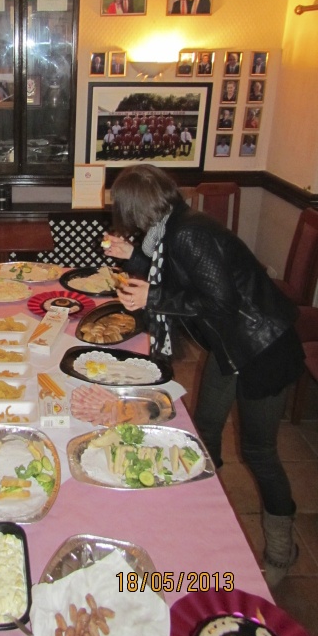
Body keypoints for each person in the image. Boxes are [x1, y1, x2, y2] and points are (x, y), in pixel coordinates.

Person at [103, 164, 304, 587]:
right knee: (205, 431)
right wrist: (134, 257)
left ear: (136, 206)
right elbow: (174, 273)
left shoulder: (189, 233)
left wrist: (153, 296)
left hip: (263, 348)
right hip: (231, 345)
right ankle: (198, 517)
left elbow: (221, 304)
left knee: (259, 452)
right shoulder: (169, 228)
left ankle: (281, 546)